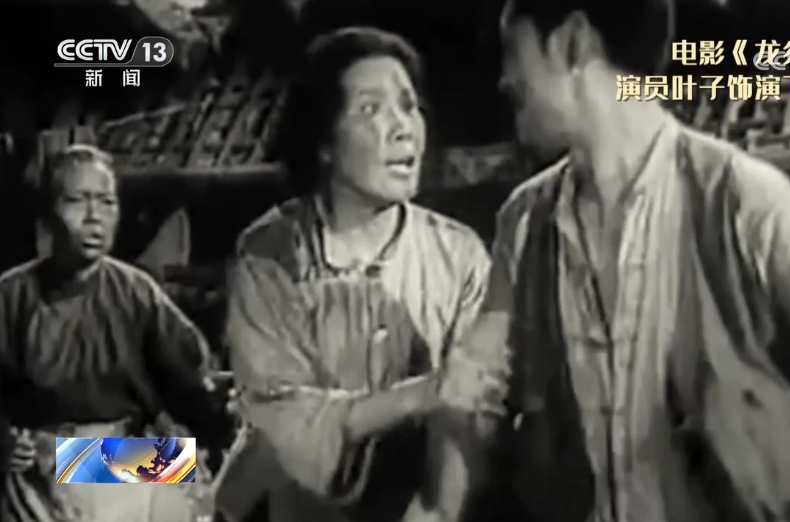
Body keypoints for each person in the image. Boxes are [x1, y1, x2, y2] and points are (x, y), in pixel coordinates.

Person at [428, 1, 790, 522]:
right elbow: (471, 397)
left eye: (513, 49)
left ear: (572, 41)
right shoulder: (524, 222)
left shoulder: (749, 199)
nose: (504, 78)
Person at [215, 27, 500, 522]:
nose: (403, 127)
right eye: (371, 109)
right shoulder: (268, 256)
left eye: (409, 106)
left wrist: (437, 511)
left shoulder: (460, 256)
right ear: (324, 141)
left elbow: (472, 407)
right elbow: (284, 419)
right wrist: (420, 392)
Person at [0, 144, 234, 522]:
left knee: (202, 477)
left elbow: (190, 383)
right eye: (77, 201)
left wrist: (224, 421)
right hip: (48, 460)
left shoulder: (137, 291)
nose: (95, 217)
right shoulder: (11, 296)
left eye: (107, 202)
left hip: (128, 450)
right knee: (69, 479)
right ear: (47, 215)